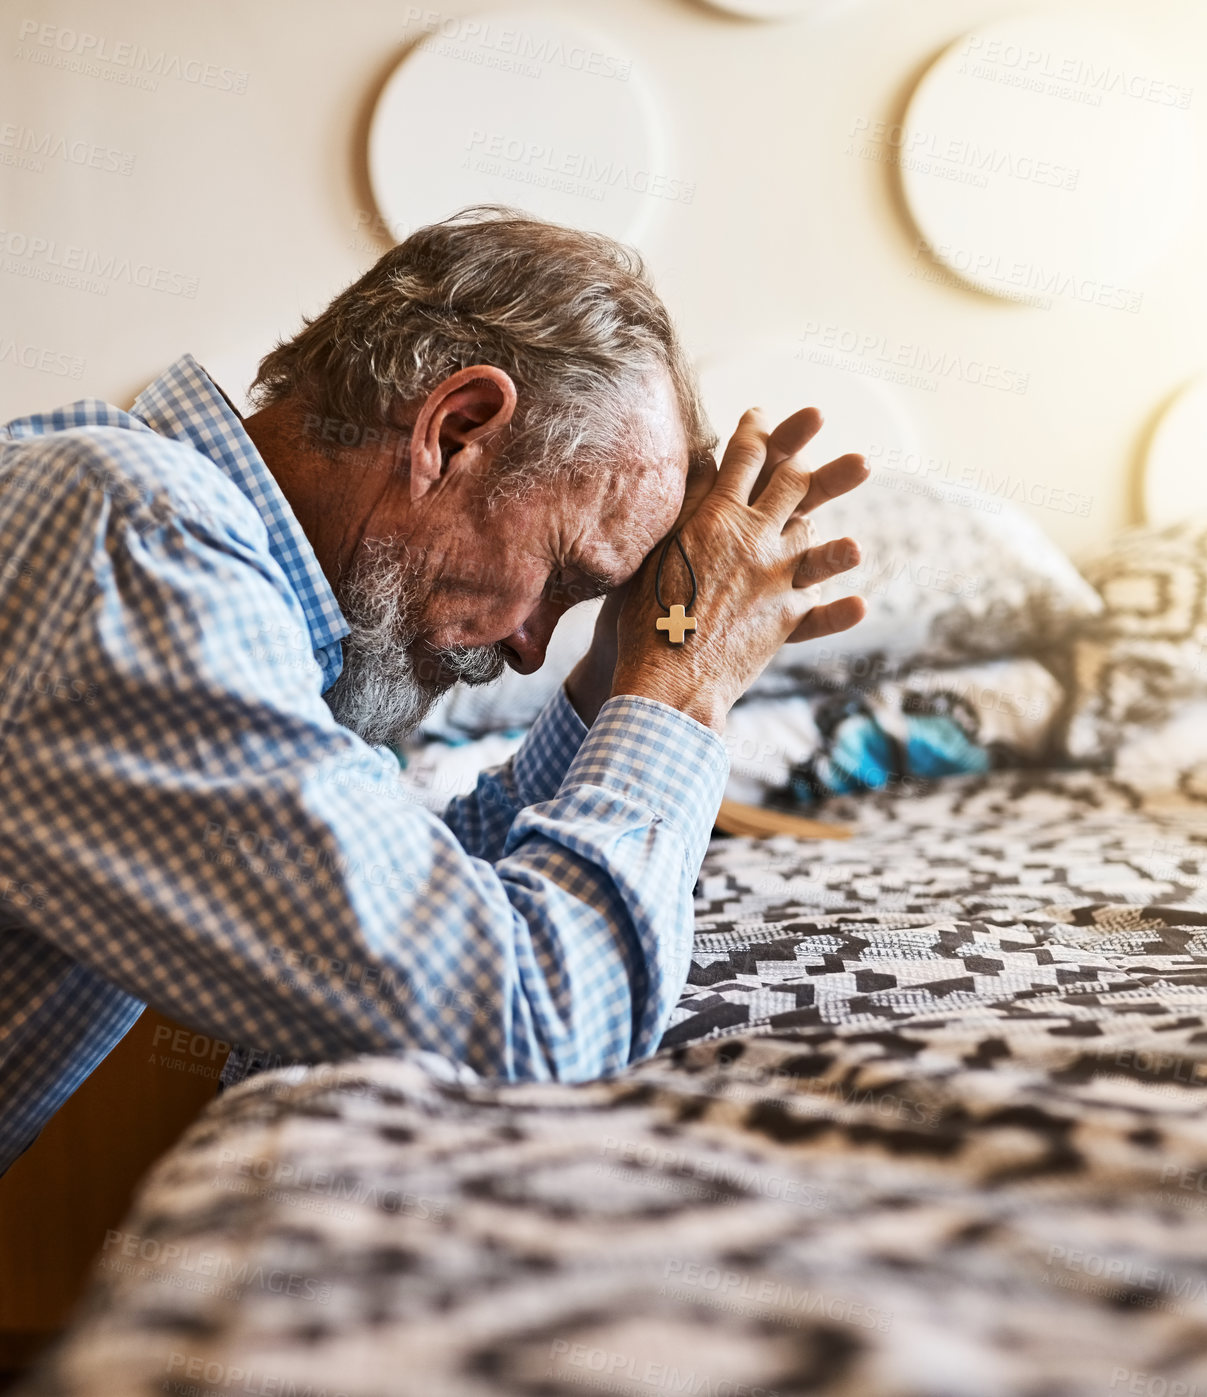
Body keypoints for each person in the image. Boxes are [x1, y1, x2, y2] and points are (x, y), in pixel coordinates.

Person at [0, 207, 867, 1173]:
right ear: (456, 432)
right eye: (567, 579)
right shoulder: (137, 533)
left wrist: (618, 668)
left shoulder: (189, 557)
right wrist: (683, 681)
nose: (532, 649)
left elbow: (404, 907)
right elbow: (533, 1027)